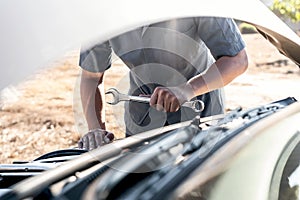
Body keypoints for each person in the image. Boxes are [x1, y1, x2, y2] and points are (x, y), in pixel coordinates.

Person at [78, 17, 248, 150]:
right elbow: (91, 77)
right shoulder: (101, 13)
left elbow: (237, 60)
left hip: (200, 110)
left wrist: (188, 89)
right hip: (142, 118)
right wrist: (95, 128)